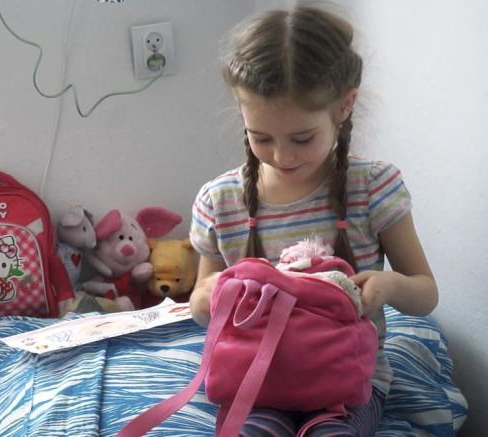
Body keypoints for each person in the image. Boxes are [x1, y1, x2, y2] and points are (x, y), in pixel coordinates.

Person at [188, 5, 438, 436]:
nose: (282, 156)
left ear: (344, 107)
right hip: (256, 380)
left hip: (346, 384)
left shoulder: (373, 188)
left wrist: (391, 286)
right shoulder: (220, 201)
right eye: (260, 137)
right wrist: (208, 297)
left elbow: (426, 292)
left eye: (302, 138)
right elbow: (198, 306)